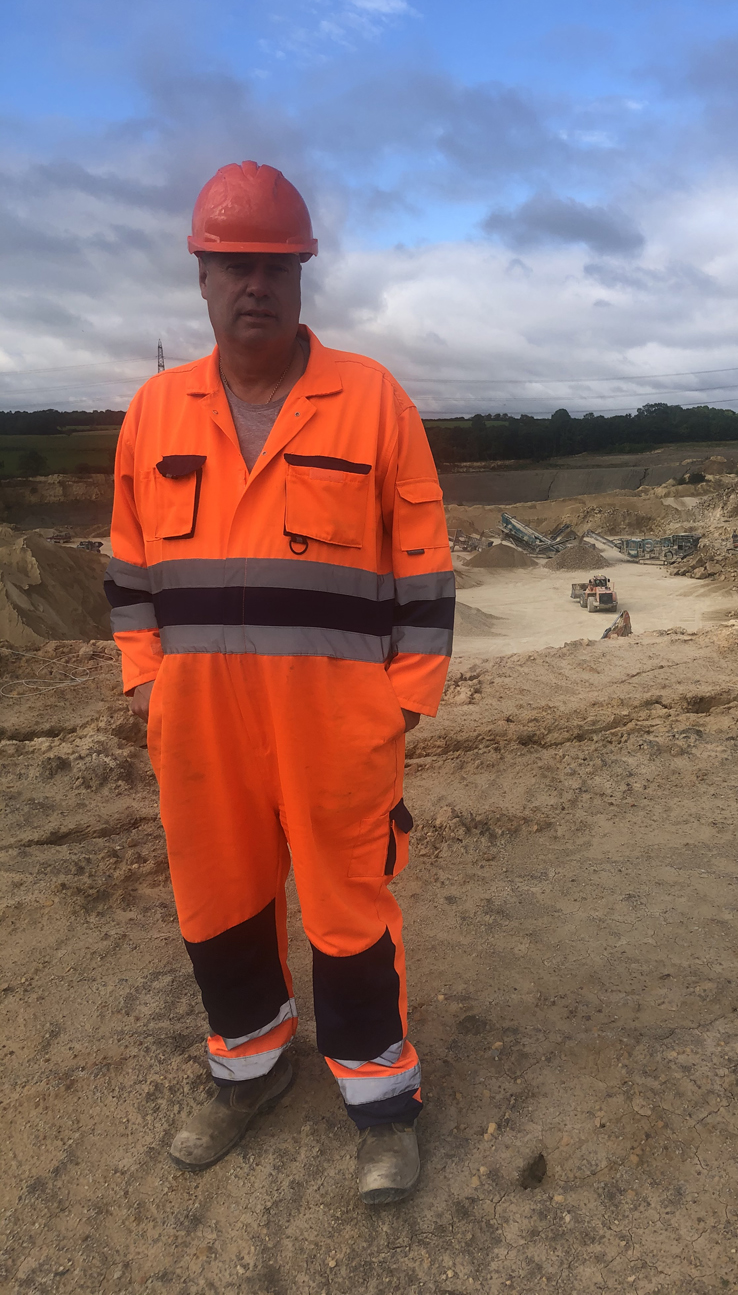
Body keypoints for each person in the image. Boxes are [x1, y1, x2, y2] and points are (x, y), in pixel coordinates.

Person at [105, 160, 454, 1204]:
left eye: (273, 266)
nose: (252, 284)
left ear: (301, 276)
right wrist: (145, 681)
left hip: (335, 723)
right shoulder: (156, 410)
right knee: (218, 900)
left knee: (349, 910)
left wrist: (402, 697)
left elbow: (425, 559)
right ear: (201, 277)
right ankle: (245, 1073)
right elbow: (128, 565)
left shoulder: (372, 398)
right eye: (232, 266)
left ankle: (381, 1105)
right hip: (200, 724)